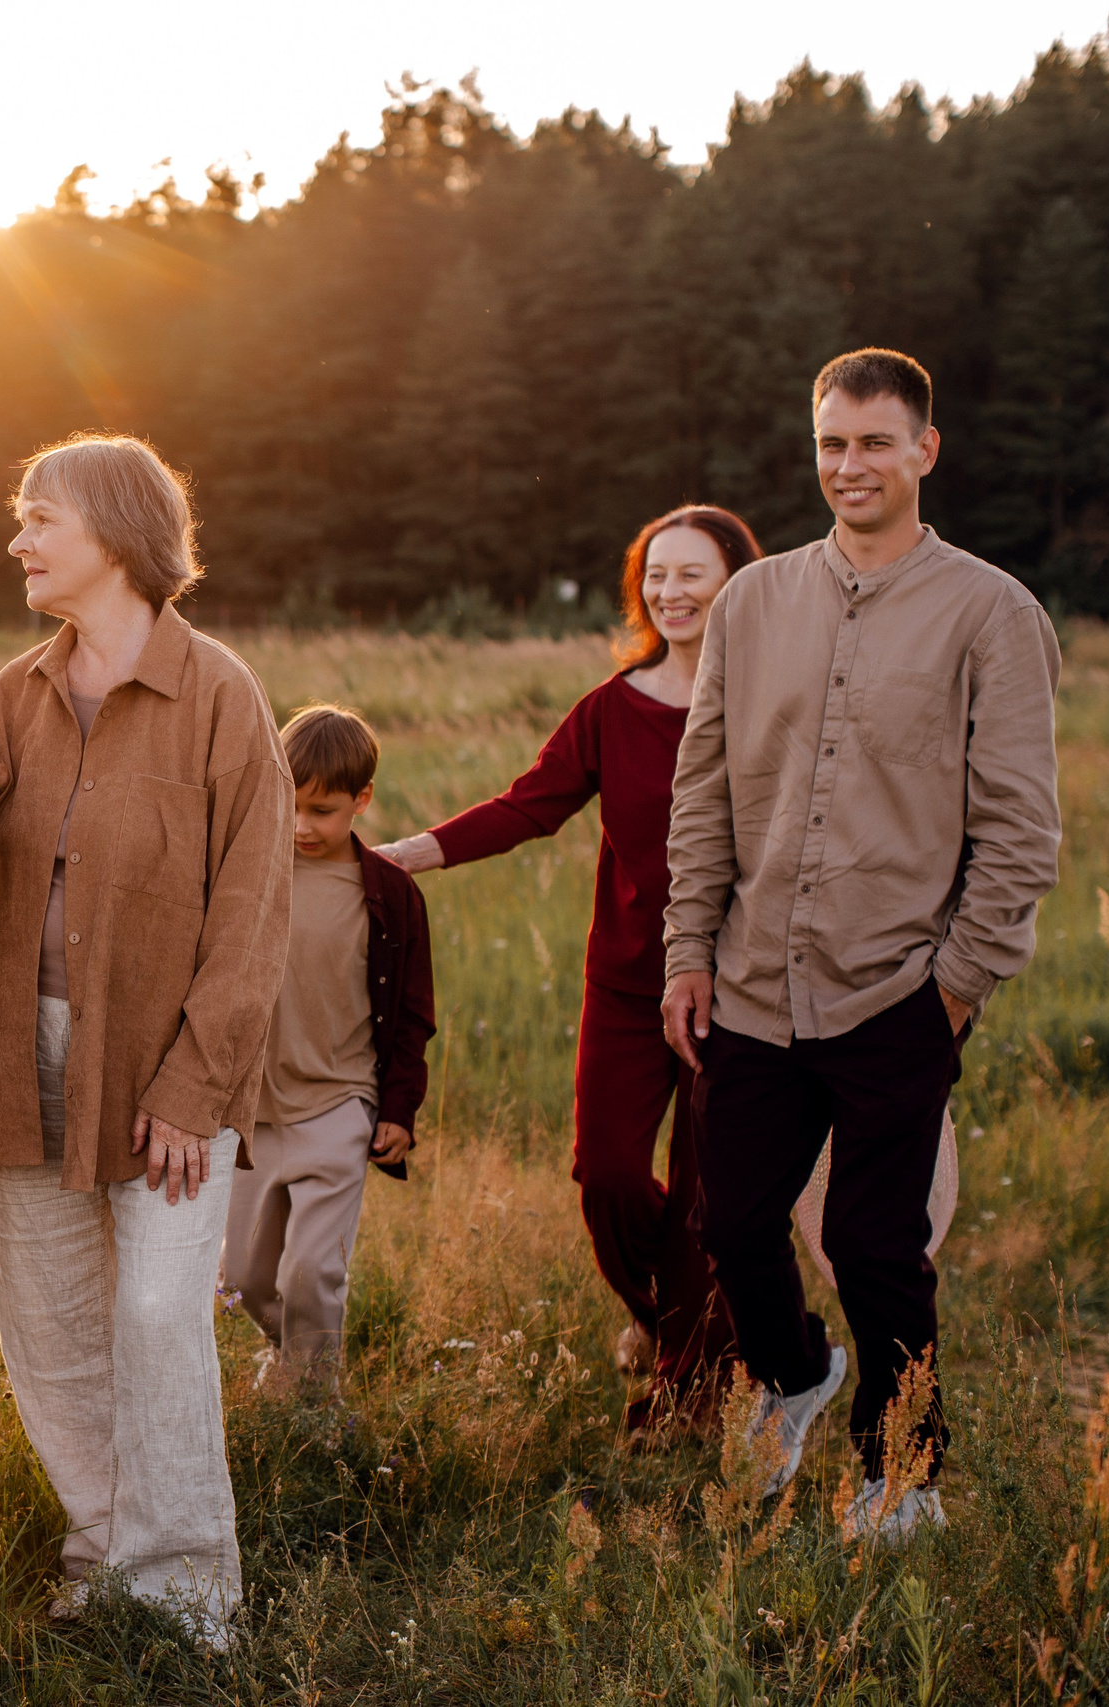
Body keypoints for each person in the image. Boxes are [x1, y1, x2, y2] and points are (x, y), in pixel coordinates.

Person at [664, 348, 1062, 1544]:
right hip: (749, 985)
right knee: (731, 1222)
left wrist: (956, 986)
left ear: (924, 451)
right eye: (832, 442)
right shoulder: (752, 601)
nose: (850, 465)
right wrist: (689, 947)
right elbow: (704, 792)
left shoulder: (991, 612)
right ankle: (792, 1381)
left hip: (898, 988)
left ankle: (906, 1480)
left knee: (875, 1247)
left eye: (875, 442)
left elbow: (1019, 825)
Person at [0, 433, 292, 1649]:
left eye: (41, 519)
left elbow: (252, 908)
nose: (19, 540)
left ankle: (190, 1589)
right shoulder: (11, 696)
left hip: (164, 1061)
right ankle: (103, 1550)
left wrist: (196, 1084)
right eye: (20, 518)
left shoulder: (220, 696)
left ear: (118, 533)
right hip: (15, 1043)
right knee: (49, 1320)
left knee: (152, 1312)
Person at [377, 505, 760, 1438]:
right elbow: (529, 805)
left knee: (712, 1200)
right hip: (628, 985)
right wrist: (402, 856)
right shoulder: (611, 708)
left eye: (691, 574)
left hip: (744, 986)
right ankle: (707, 1326)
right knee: (610, 1178)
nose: (670, 592)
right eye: (655, 575)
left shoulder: (770, 704)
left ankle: (688, 1392)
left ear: (738, 584)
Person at [225, 705, 433, 1398]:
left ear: (361, 800)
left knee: (312, 1272)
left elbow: (410, 1015)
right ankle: (292, 1360)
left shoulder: (391, 896)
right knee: (245, 1280)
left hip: (339, 1105)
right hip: (254, 1113)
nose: (300, 825)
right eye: (289, 801)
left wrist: (398, 1107)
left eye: (322, 810)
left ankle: (315, 1410)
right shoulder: (248, 872)